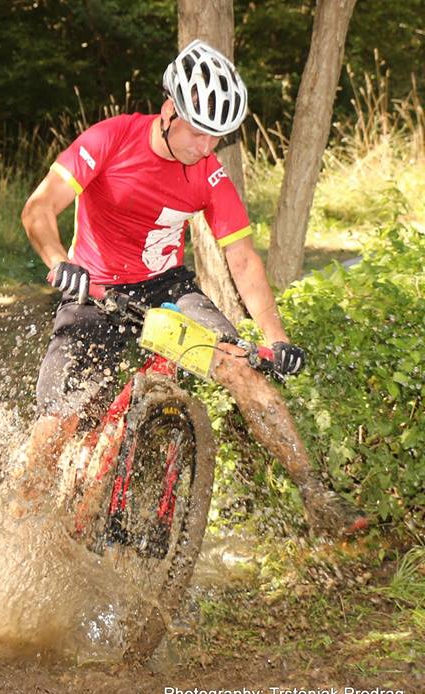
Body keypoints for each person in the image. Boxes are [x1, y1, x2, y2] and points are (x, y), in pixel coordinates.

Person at [20, 39, 367, 537]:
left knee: (240, 367)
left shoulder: (209, 171)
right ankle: (16, 526)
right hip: (94, 292)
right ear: (169, 111)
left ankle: (316, 495)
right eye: (201, 134)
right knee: (57, 424)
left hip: (166, 287)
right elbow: (38, 208)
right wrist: (59, 262)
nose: (207, 148)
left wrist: (275, 336)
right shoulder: (110, 139)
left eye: (218, 138)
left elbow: (242, 258)